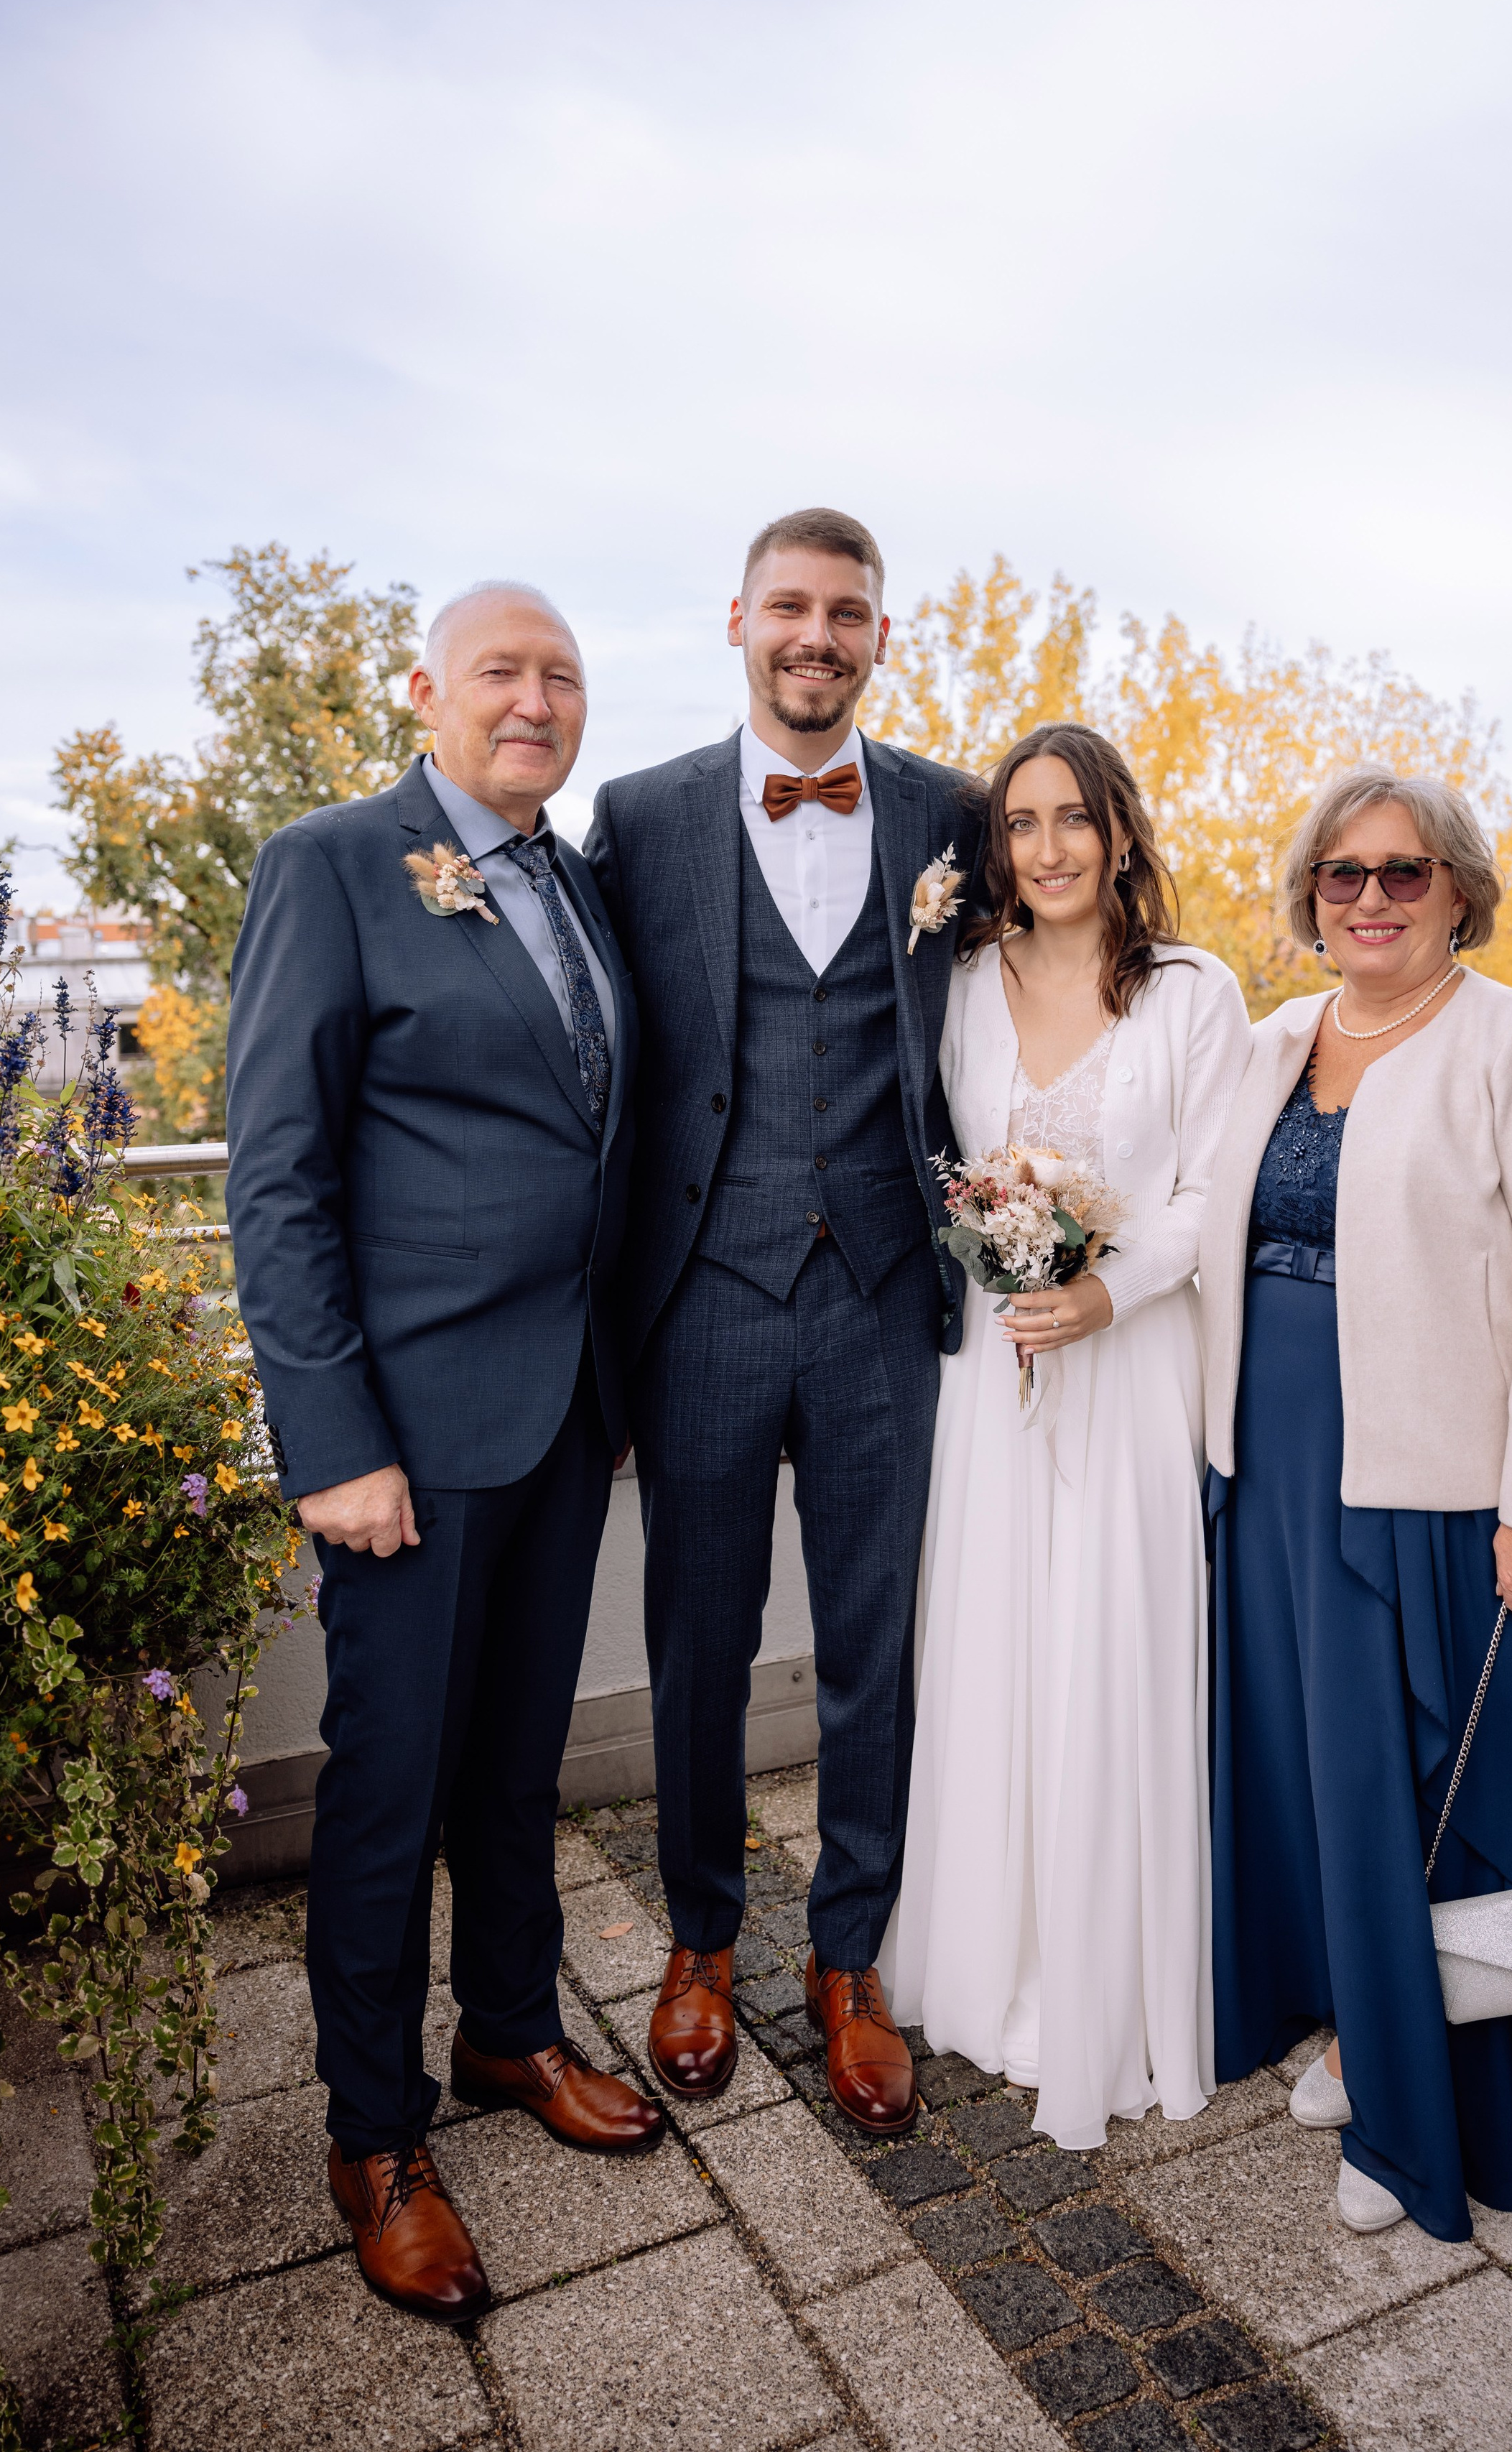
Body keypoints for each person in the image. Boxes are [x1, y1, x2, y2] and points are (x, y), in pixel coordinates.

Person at [227, 581, 663, 2326]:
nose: (536, 699)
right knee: (390, 1787)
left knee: (512, 1763)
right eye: (504, 670)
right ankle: (372, 2132)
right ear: (426, 689)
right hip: (399, 1438)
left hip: (559, 1415)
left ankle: (505, 2031)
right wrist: (331, 1436)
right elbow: (277, 1176)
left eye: (562, 675)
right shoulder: (330, 862)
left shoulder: (577, 880)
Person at [1197, 766, 1512, 2242]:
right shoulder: (1279, 1036)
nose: (1368, 898)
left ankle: (1431, 2108)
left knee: (1418, 1791)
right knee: (1310, 1783)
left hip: (1432, 1494)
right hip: (1271, 1480)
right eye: (1340, 874)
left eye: (1402, 871)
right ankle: (1354, 2026)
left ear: (1458, 887)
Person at [584, 506, 982, 2134]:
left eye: (848, 611)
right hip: (704, 1298)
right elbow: (589, 1042)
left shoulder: (952, 812)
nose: (816, 634)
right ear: (737, 618)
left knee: (876, 1641)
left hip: (888, 1290)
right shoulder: (640, 812)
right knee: (698, 1637)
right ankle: (698, 1936)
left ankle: (849, 1953)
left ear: (880, 633)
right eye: (790, 607)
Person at [886, 724, 1251, 2148]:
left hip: (1131, 1361)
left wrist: (1103, 1288)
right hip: (995, 1370)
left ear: (1116, 831)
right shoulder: (961, 982)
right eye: (1020, 822)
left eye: (1071, 818)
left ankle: (1106, 1986)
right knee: (993, 1647)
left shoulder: (1188, 992)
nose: (1045, 847)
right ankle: (990, 1960)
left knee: (1110, 1649)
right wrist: (1013, 1266)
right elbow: (935, 1159)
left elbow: (1211, 1192)